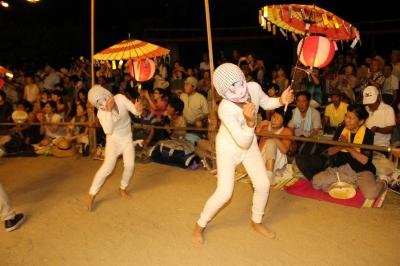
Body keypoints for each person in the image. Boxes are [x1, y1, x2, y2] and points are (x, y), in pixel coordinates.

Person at [192, 63, 294, 244]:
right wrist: (249, 121)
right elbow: (242, 140)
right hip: (228, 148)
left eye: (240, 83)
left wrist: (281, 100)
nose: (240, 91)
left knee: (263, 184)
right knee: (224, 193)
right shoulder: (225, 108)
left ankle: (256, 221)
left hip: (250, 146)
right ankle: (199, 225)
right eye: (232, 89)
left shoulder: (253, 88)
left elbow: (266, 102)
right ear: (223, 93)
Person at [86, 85, 142, 211]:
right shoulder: (101, 113)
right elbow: (108, 130)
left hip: (127, 138)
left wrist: (139, 108)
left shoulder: (120, 98)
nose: (102, 103)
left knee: (130, 165)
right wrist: (109, 111)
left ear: (108, 94)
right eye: (97, 103)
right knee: (107, 167)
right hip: (113, 141)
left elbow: (136, 111)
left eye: (102, 99)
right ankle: (92, 194)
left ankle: (122, 188)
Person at [312, 104, 387, 200]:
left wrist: (347, 146)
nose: (346, 120)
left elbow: (364, 160)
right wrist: (340, 145)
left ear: (361, 121)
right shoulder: (340, 129)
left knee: (370, 194)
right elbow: (330, 152)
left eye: (351, 118)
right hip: (341, 169)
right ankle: (351, 183)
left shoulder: (368, 134)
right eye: (346, 116)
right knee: (316, 181)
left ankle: (384, 181)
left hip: (361, 170)